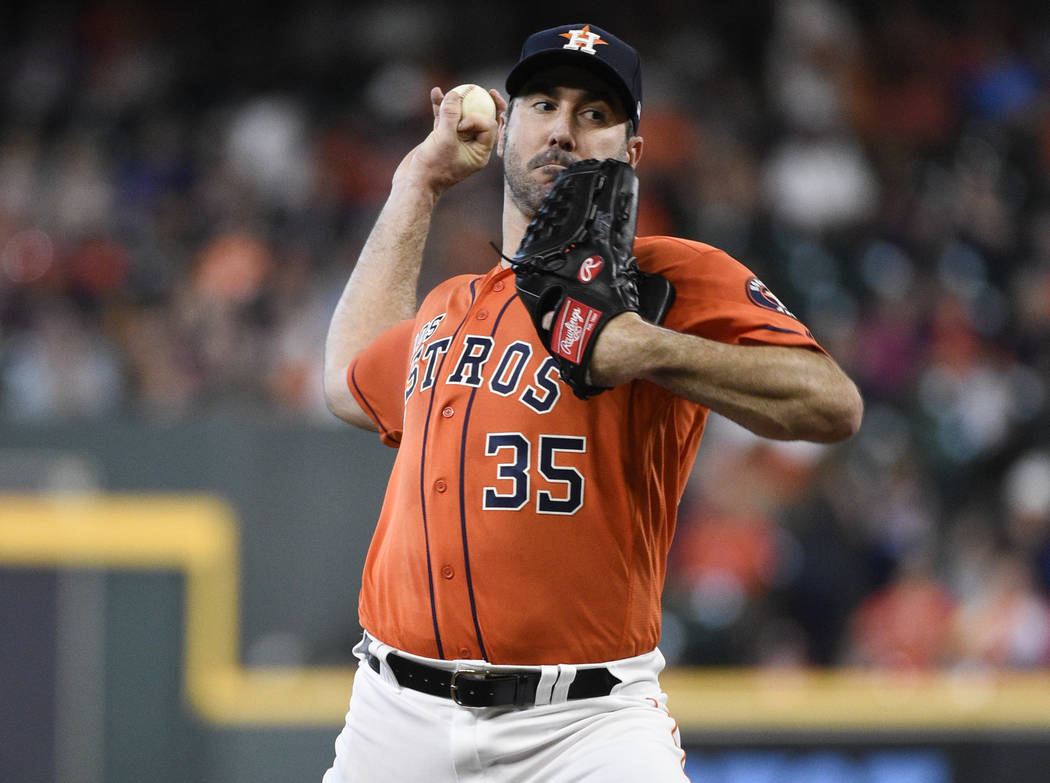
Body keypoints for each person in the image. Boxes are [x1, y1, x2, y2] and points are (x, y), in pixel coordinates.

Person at [321, 22, 863, 782]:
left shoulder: (660, 277)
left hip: (583, 724)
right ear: (506, 129)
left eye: (595, 113)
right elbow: (347, 375)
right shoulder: (453, 304)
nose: (564, 131)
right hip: (395, 715)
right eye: (544, 104)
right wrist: (419, 181)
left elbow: (831, 402)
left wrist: (645, 347)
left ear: (631, 151)